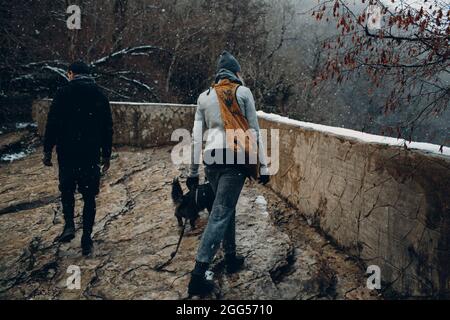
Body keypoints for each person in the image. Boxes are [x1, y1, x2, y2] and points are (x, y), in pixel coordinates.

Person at [187, 51, 270, 296]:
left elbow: (195, 138)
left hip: (212, 159)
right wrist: (263, 166)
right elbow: (253, 131)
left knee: (224, 208)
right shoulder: (242, 93)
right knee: (220, 213)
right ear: (235, 73)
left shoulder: (205, 97)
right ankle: (198, 274)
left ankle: (231, 256)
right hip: (235, 159)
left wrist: (192, 171)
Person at [42, 61, 113, 256]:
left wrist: (47, 150)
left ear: (71, 73)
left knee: (67, 190)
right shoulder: (99, 95)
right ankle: (87, 237)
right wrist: (106, 154)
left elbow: (52, 123)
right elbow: (107, 128)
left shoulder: (63, 93)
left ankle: (69, 226)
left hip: (67, 151)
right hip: (89, 153)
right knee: (89, 196)